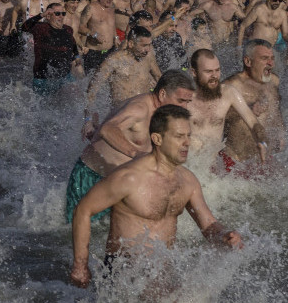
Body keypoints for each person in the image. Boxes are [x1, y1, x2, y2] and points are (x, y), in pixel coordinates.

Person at [70, 105, 243, 288]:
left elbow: (208, 225)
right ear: (157, 138)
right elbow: (83, 209)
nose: (187, 143)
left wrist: (225, 235)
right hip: (124, 271)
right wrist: (80, 266)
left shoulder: (187, 181)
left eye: (188, 135)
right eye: (179, 136)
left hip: (162, 270)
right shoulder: (129, 178)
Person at [65, 69, 196, 223]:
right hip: (92, 178)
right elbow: (108, 129)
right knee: (84, 233)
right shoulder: (139, 108)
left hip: (122, 184)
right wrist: (136, 153)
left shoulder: (162, 114)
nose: (185, 108)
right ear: (162, 94)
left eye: (188, 102)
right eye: (181, 101)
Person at [185, 48, 266, 164]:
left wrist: (262, 141)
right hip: (190, 165)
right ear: (194, 72)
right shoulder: (184, 99)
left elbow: (254, 123)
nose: (214, 76)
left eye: (217, 70)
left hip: (212, 167)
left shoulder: (228, 93)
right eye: (208, 72)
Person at [221, 39, 284, 173]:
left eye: (272, 58)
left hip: (264, 159)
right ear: (248, 61)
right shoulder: (232, 85)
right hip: (236, 162)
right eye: (264, 58)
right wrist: (247, 109)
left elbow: (276, 111)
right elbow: (216, 117)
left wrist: (281, 133)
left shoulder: (273, 81)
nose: (271, 63)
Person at [84, 25, 161, 113]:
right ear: (131, 44)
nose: (147, 49)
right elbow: (92, 89)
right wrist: (88, 120)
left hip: (145, 112)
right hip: (121, 113)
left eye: (149, 45)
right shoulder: (114, 60)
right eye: (144, 45)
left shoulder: (148, 57)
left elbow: (159, 78)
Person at [20, 2, 82, 95]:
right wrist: (41, 15)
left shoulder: (68, 29)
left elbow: (72, 42)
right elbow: (24, 27)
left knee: (78, 98)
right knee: (43, 108)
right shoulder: (40, 28)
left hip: (65, 76)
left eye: (63, 13)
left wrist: (76, 55)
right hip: (43, 78)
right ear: (48, 16)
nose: (61, 16)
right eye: (57, 14)